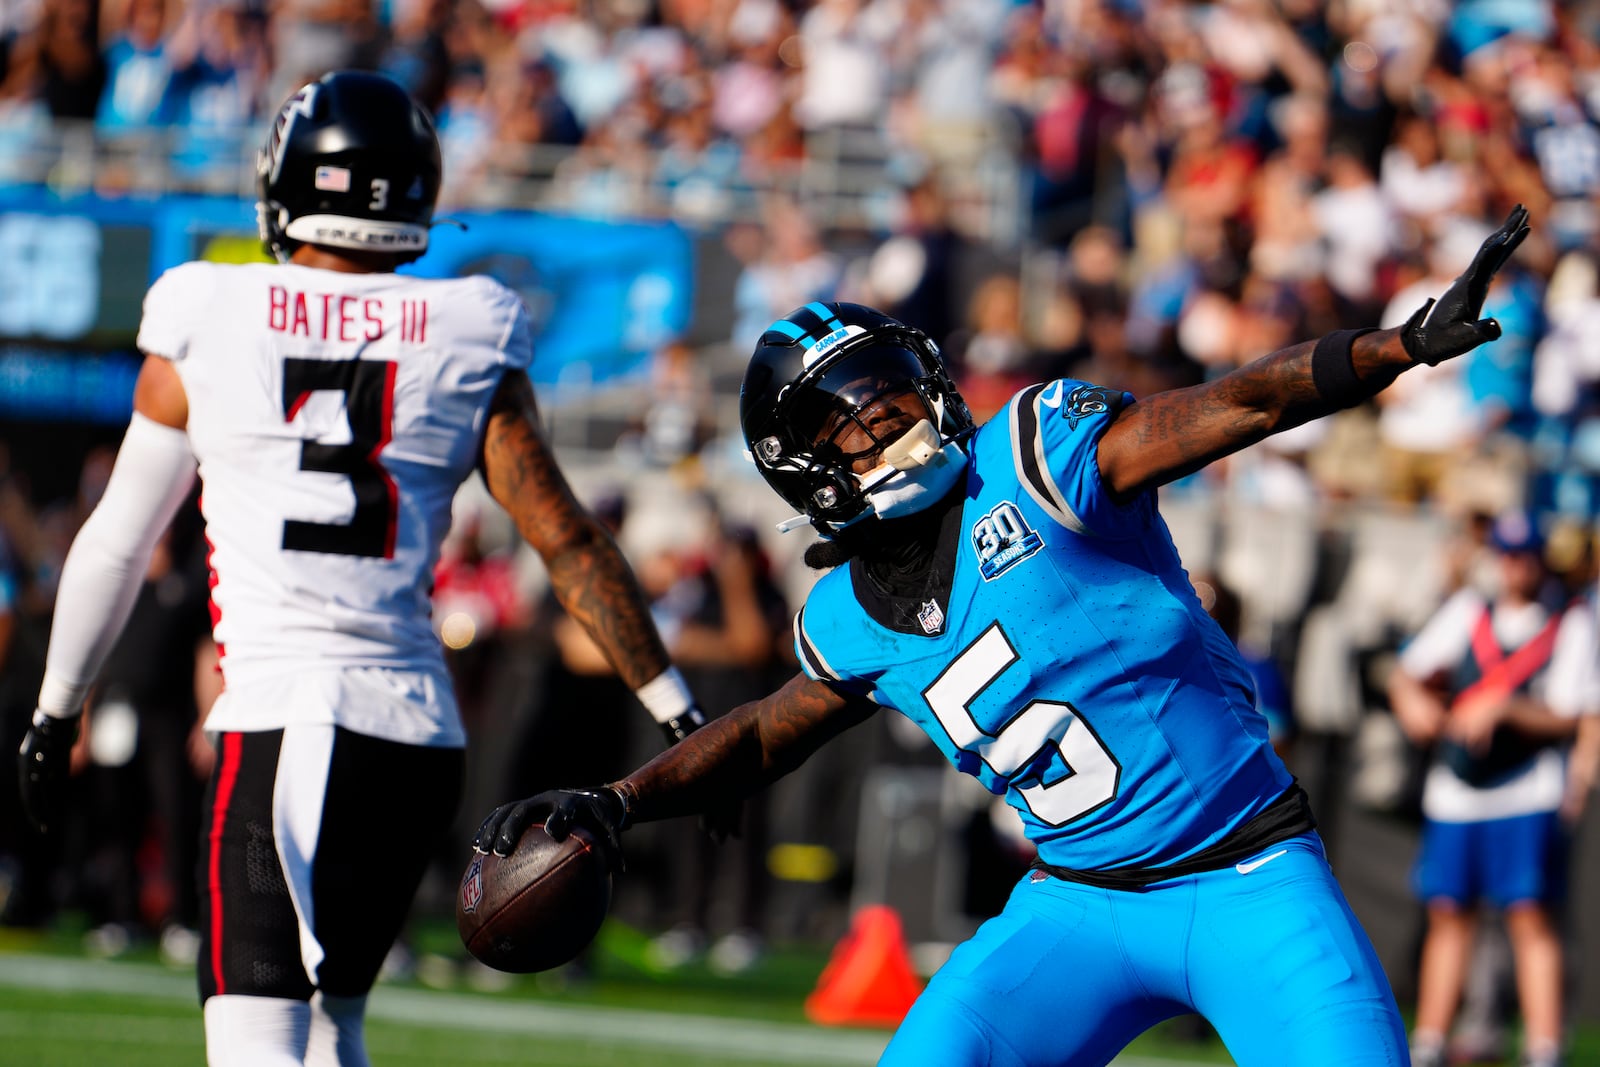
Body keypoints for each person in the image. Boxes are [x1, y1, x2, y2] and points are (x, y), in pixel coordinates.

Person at [477, 206, 1533, 1066]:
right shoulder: (845, 614)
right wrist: (622, 799)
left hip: (1249, 874)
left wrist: (1388, 349)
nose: (891, 420)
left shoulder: (1037, 459)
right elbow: (765, 732)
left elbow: (1236, 402)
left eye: (892, 395)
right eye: (854, 420)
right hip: (1072, 905)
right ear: (807, 469)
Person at [16, 70, 709, 1067]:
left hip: (287, 716)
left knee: (255, 1040)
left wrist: (56, 708)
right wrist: (679, 711)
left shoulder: (208, 309)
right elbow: (568, 539)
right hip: (414, 732)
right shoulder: (469, 326)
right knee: (330, 1025)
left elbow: (120, 536)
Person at [1388, 510, 1600, 1067]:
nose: (1514, 568)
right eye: (1505, 556)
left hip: (1526, 788)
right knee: (1448, 912)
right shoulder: (1469, 610)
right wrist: (1414, 703)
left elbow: (1572, 712)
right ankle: (1430, 1040)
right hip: (1457, 788)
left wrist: (1505, 708)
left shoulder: (1568, 620)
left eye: (1523, 556)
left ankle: (1544, 1046)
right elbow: (1405, 671)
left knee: (1529, 915)